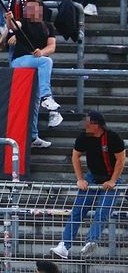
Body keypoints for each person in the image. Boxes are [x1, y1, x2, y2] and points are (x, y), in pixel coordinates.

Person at [51, 109, 124, 260]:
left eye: (88, 123)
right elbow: (75, 156)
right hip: (92, 177)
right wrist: (80, 179)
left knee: (102, 211)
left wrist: (113, 180)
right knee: (78, 210)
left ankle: (91, 241)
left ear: (96, 125)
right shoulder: (84, 137)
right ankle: (64, 245)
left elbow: (121, 160)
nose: (85, 126)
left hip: (111, 178)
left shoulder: (113, 137)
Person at [0, 0, 63, 148]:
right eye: (27, 8)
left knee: (33, 103)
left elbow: (51, 47)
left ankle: (33, 137)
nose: (29, 10)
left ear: (40, 9)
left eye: (33, 7)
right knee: (47, 62)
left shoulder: (47, 26)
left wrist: (42, 52)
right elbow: (13, 25)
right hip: (20, 62)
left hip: (35, 66)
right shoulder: (23, 22)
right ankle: (47, 96)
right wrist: (9, 20)